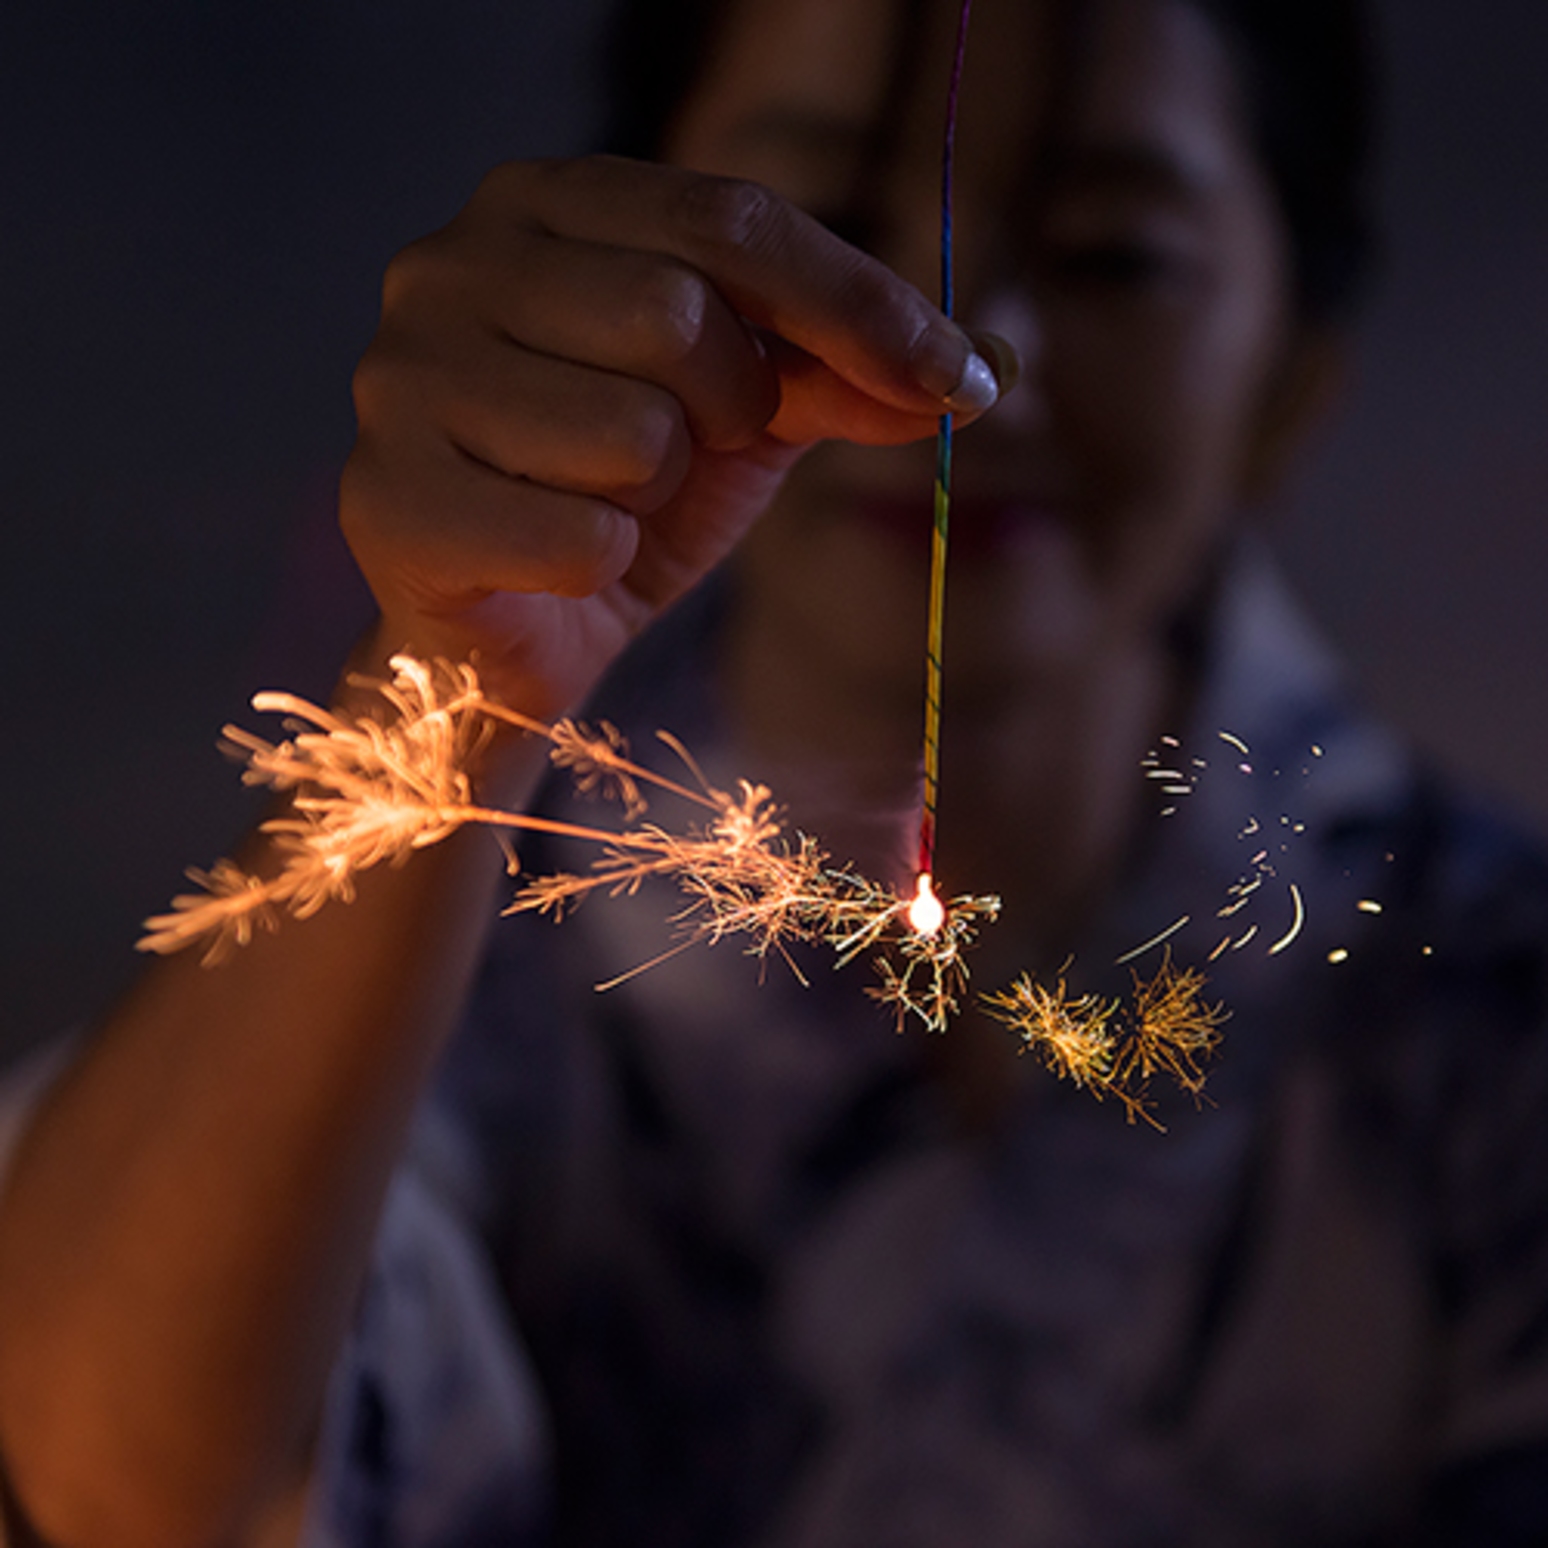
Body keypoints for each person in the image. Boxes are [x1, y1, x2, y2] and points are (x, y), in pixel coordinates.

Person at [3, 0, 1548, 1542]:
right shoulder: (452, 924)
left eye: (1115, 256)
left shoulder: (1487, 1009)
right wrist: (466, 674)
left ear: (1290, 379)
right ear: (609, 282)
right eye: (826, 228)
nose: (970, 334)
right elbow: (115, 1481)